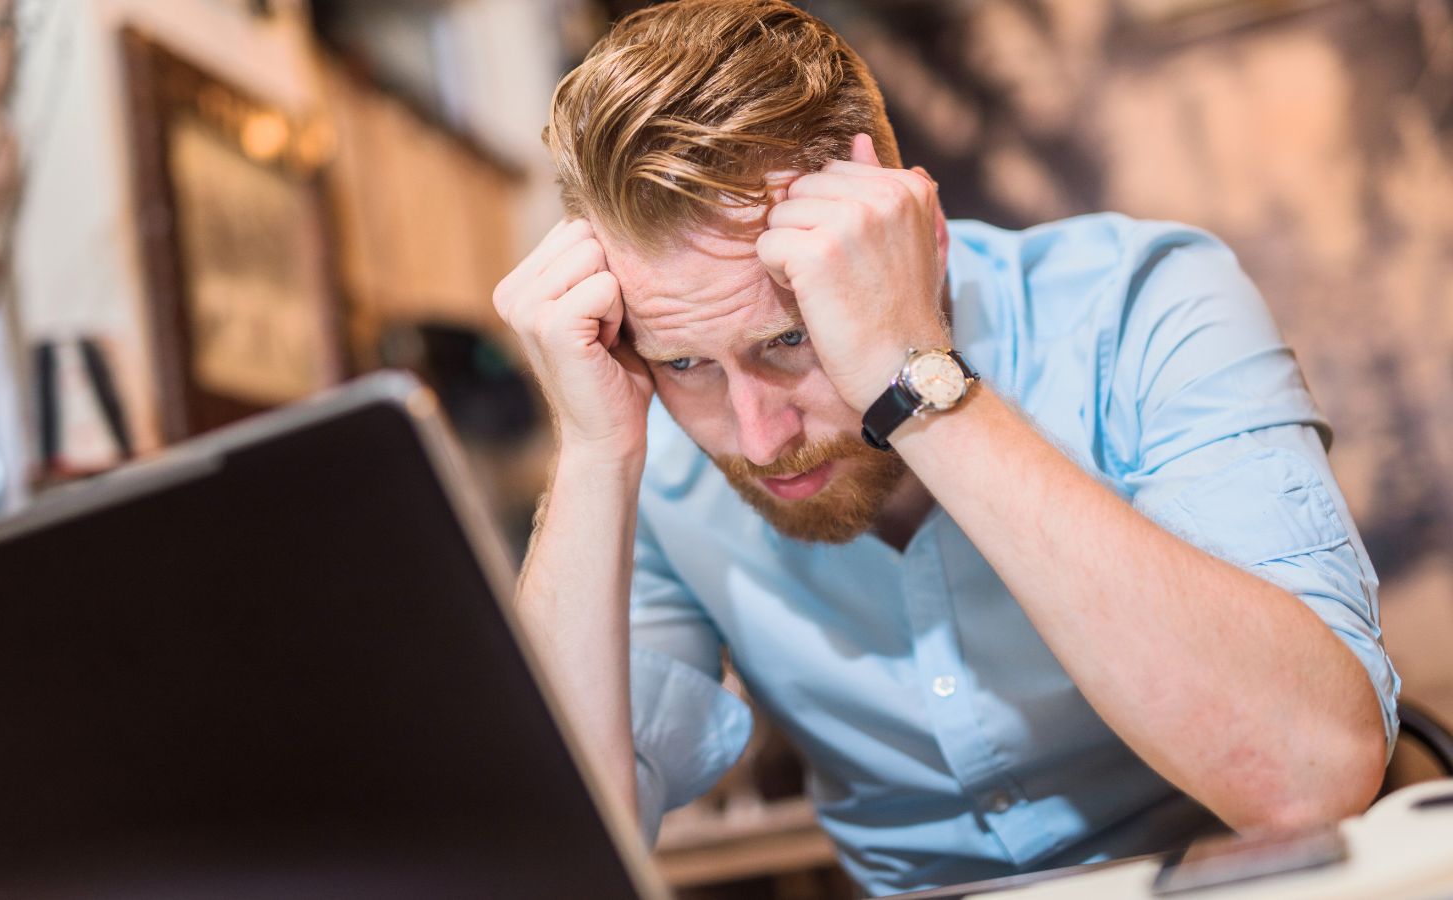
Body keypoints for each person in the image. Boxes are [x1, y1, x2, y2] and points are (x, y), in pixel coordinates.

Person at [493, 0, 1399, 893]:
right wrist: (591, 457)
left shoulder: (1142, 305)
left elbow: (1311, 777)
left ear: (913, 238)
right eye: (685, 360)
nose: (760, 439)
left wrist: (913, 372)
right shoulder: (645, 446)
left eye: (790, 339)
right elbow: (534, 866)